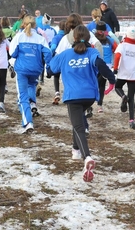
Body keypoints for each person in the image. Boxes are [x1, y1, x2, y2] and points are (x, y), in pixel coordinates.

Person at [48, 25, 116, 182]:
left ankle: (87, 158)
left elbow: (51, 70)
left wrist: (51, 68)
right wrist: (112, 80)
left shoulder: (65, 55)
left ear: (73, 38)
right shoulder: (92, 52)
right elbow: (101, 66)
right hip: (89, 96)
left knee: (78, 126)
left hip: (73, 96)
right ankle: (76, 151)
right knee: (77, 120)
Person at [9, 15, 52, 133]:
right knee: (32, 85)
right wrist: (49, 67)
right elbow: (48, 53)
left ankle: (28, 122)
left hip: (22, 69)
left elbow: (12, 53)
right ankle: (32, 103)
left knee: (22, 97)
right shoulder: (40, 39)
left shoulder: (19, 37)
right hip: (36, 69)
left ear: (23, 24)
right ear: (35, 25)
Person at [55, 13, 103, 107]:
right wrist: (99, 61)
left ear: (68, 24)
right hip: (86, 68)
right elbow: (99, 45)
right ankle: (87, 107)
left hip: (71, 72)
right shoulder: (88, 34)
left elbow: (57, 55)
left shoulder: (65, 39)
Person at [112, 26, 135, 129]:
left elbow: (117, 56)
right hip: (133, 75)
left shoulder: (122, 45)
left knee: (117, 87)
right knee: (132, 98)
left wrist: (116, 68)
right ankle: (131, 120)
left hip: (123, 72)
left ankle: (122, 96)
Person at [94, 21, 118, 112]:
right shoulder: (110, 40)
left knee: (95, 83)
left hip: (96, 64)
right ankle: (100, 104)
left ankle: (93, 103)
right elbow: (117, 49)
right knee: (101, 85)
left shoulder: (93, 40)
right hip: (106, 65)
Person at [37, 13, 57, 85]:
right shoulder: (53, 30)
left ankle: (41, 78)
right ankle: (49, 73)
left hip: (42, 49)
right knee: (49, 63)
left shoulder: (40, 30)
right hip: (51, 48)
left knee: (41, 63)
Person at [0, 16, 16, 80]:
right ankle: (10, 67)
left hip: (1, 50)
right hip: (10, 50)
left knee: (2, 66)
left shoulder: (0, 32)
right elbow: (15, 40)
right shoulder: (11, 31)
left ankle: (4, 83)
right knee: (6, 60)